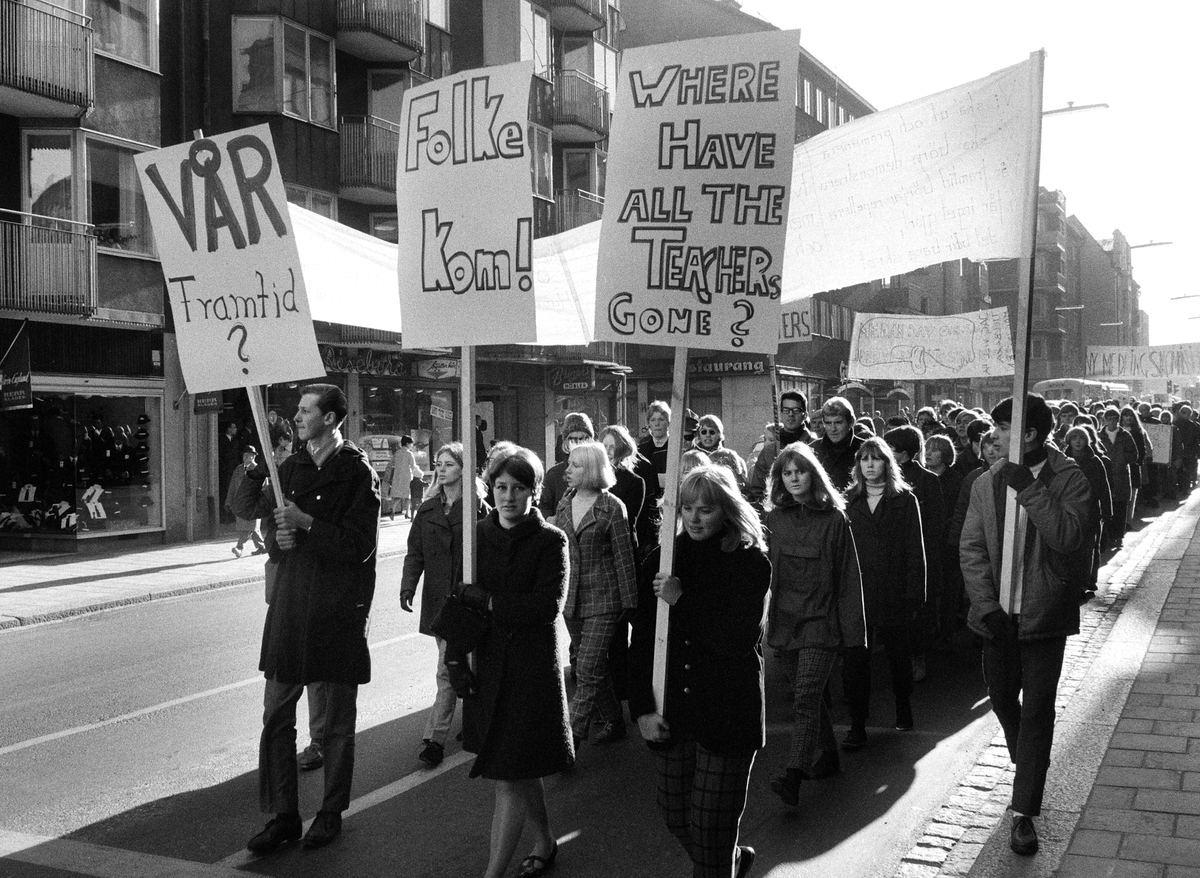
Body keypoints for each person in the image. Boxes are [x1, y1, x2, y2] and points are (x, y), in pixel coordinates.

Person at [232, 384, 380, 853]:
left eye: (306, 410)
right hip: (292, 604)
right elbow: (244, 509)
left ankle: (331, 811)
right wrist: (254, 477)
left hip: (336, 607)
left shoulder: (357, 472)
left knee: (335, 722)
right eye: (297, 410)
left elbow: (361, 547)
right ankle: (283, 814)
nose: (297, 416)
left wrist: (306, 524)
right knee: (276, 713)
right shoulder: (288, 468)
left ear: (332, 418)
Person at [960, 393, 1091, 856]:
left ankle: (1024, 813)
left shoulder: (1069, 477)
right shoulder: (986, 482)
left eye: (1003, 428)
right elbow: (971, 548)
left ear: (1030, 434)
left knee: (1037, 711)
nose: (993, 436)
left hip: (1044, 616)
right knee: (1001, 697)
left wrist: (1030, 489)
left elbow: (1069, 536)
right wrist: (986, 605)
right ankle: (1028, 768)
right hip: (998, 618)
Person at [629, 465, 771, 878]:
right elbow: (642, 639)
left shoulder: (750, 562)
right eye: (687, 508)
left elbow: (735, 638)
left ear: (726, 510)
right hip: (674, 710)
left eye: (705, 509)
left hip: (728, 712)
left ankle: (719, 864)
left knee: (711, 834)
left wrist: (681, 599)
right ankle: (730, 861)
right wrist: (641, 707)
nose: (693, 518)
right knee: (675, 815)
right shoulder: (663, 559)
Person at [461, 445, 573, 878]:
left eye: (519, 487)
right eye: (501, 486)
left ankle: (491, 875)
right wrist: (456, 657)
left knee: (508, 775)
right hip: (488, 664)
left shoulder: (551, 540)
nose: (508, 496)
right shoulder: (477, 536)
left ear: (535, 491)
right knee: (519, 767)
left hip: (530, 670)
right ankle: (545, 840)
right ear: (490, 488)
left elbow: (546, 606)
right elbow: (459, 601)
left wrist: (489, 601)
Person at [764, 443, 865, 807]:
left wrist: (854, 635)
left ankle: (794, 774)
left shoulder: (836, 520)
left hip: (822, 623)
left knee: (806, 696)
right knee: (809, 697)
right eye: (786, 473)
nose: (793, 478)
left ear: (813, 474)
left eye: (800, 471)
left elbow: (848, 578)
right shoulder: (773, 521)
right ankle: (830, 756)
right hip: (785, 622)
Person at [400, 442, 489, 768]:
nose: (441, 469)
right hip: (439, 602)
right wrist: (408, 585)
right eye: (438, 463)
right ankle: (472, 722)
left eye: (449, 464)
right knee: (456, 666)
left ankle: (434, 740)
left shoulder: (478, 508)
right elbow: (415, 553)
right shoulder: (427, 510)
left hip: (468, 601)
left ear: (464, 468)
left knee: (448, 669)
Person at [842, 437, 925, 749]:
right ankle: (856, 723)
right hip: (857, 592)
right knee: (856, 661)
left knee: (897, 656)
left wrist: (915, 595)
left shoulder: (904, 500)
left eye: (876, 459)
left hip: (893, 591)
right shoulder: (849, 499)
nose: (870, 465)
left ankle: (903, 705)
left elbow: (915, 551)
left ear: (887, 464)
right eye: (864, 459)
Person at [554, 440, 638, 746]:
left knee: (586, 667)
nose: (568, 470)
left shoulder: (613, 507)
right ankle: (614, 719)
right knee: (592, 667)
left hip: (605, 599)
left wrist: (629, 604)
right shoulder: (565, 502)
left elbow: (624, 557)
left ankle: (571, 736)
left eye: (576, 465)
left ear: (591, 469)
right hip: (570, 599)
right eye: (569, 464)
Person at [885, 425, 944, 679]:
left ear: (906, 452)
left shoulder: (928, 481)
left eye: (892, 449)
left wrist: (924, 558)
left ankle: (918, 657)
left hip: (919, 557)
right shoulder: (883, 478)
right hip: (890, 557)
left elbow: (936, 523)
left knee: (917, 613)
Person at [599, 424, 648, 702]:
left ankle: (621, 687)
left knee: (620, 627)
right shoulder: (592, 480)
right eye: (602, 447)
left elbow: (625, 523)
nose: (606, 452)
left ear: (621, 451)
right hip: (598, 559)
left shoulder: (633, 482)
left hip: (623, 556)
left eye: (611, 447)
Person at [1064, 426, 1112, 599]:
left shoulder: (1095, 461)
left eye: (1081, 438)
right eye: (1074, 438)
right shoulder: (1063, 460)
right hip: (1068, 510)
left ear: (1087, 440)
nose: (1077, 441)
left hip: (1091, 510)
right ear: (1068, 440)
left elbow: (1103, 488)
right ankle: (1071, 581)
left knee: (1089, 548)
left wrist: (1107, 511)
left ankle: (1086, 581)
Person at [746, 390, 813, 504]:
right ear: (780, 414)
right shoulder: (769, 451)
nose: (791, 414)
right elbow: (757, 489)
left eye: (796, 410)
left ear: (805, 414)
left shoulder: (814, 446)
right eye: (786, 410)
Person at [540, 412, 595, 519]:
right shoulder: (554, 474)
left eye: (583, 438)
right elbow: (544, 507)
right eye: (573, 439)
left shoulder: (599, 470)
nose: (579, 443)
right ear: (565, 442)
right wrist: (550, 519)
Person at [634, 402, 672, 558]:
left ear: (668, 423)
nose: (657, 424)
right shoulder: (641, 450)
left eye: (661, 419)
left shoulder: (676, 447)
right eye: (653, 420)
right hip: (647, 507)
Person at [1097, 407, 1136, 548]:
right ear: (1104, 420)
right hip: (1105, 475)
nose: (1112, 421)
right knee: (1107, 507)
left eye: (1115, 418)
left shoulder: (1125, 435)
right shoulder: (1099, 435)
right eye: (1109, 419)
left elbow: (1134, 455)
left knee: (1120, 507)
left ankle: (1119, 536)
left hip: (1121, 476)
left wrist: (1122, 459)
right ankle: (1107, 535)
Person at [812, 397, 865, 492]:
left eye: (838, 422)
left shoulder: (864, 449)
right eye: (828, 423)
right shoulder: (812, 449)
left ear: (851, 422)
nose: (833, 428)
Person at [227, 446, 266, 558]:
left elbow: (264, 488)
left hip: (253, 504)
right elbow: (232, 487)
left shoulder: (258, 470)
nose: (245, 458)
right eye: (244, 455)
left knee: (249, 527)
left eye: (247, 455)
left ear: (253, 457)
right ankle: (261, 546)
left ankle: (239, 547)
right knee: (251, 527)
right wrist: (228, 501)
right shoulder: (238, 469)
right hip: (240, 503)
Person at [695, 414, 748, 490]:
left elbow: (743, 487)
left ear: (719, 434)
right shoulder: (694, 458)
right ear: (699, 434)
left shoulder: (732, 458)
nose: (708, 435)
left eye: (712, 432)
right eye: (704, 432)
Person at [1120, 405, 1151, 522]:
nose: (1128, 418)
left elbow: (1142, 451)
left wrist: (1137, 462)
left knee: (1132, 496)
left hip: (1133, 467)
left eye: (1131, 416)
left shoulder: (1138, 432)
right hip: (1118, 469)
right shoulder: (1118, 431)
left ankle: (1128, 521)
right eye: (1126, 415)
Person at [385, 435, 422, 520]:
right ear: (407, 443)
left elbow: (391, 464)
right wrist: (420, 473)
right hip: (407, 477)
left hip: (397, 477)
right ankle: (407, 513)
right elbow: (413, 466)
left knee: (397, 496)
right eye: (411, 443)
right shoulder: (409, 454)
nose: (412, 445)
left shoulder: (397, 453)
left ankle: (393, 511)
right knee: (407, 496)